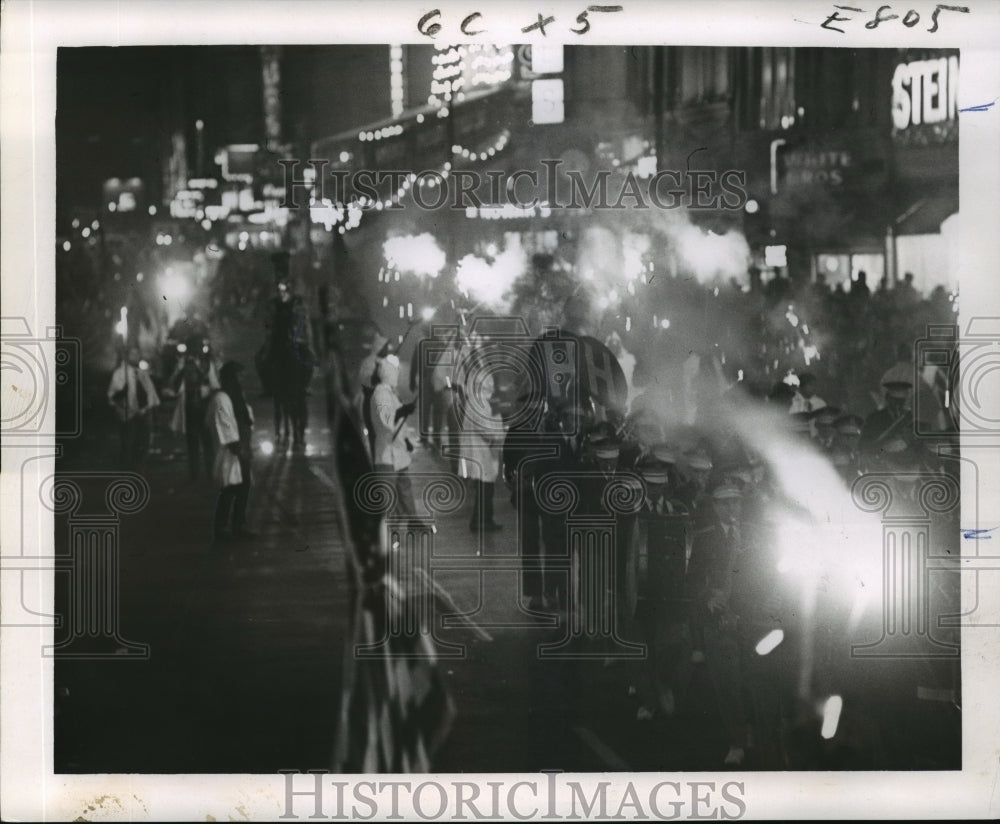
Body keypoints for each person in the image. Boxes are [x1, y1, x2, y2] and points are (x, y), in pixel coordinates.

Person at [206, 361, 256, 542]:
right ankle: (221, 528)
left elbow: (246, 418)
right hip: (230, 451)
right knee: (229, 489)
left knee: (244, 487)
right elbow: (224, 423)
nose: (242, 380)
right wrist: (236, 446)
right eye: (239, 376)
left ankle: (239, 524)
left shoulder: (237, 396)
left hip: (242, 447)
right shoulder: (221, 398)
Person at [370, 354, 418, 520]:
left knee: (405, 488)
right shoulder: (380, 394)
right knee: (389, 496)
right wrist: (402, 411)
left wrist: (406, 441)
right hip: (386, 455)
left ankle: (413, 520)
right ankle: (391, 530)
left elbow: (398, 422)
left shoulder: (390, 392)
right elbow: (386, 420)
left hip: (398, 451)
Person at [459, 371, 504, 533]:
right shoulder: (481, 402)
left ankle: (485, 518)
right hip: (483, 450)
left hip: (482, 450)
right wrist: (498, 436)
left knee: (485, 486)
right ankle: (481, 520)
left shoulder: (476, 400)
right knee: (486, 487)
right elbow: (484, 427)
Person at [169, 338, 220, 479]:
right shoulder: (184, 364)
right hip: (190, 406)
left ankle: (209, 472)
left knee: (206, 440)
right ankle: (194, 472)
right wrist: (180, 370)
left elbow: (214, 384)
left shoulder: (207, 364)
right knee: (193, 441)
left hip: (204, 406)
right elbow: (174, 384)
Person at [107, 345, 160, 472]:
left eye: (137, 354)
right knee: (129, 443)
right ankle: (127, 470)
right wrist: (121, 393)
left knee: (144, 442)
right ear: (126, 356)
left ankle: (140, 467)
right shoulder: (120, 373)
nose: (135, 357)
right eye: (132, 354)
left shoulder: (141, 372)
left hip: (144, 412)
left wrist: (150, 408)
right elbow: (113, 395)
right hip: (129, 414)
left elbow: (150, 392)